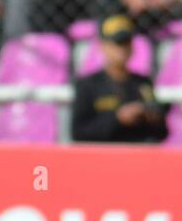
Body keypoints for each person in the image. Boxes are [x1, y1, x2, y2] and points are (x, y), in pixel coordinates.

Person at [71, 14, 168, 143]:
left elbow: (161, 133)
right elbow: (79, 133)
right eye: (117, 43)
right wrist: (117, 119)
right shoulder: (88, 85)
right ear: (103, 46)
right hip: (102, 156)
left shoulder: (142, 83)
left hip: (136, 155)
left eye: (126, 42)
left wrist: (151, 117)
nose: (122, 49)